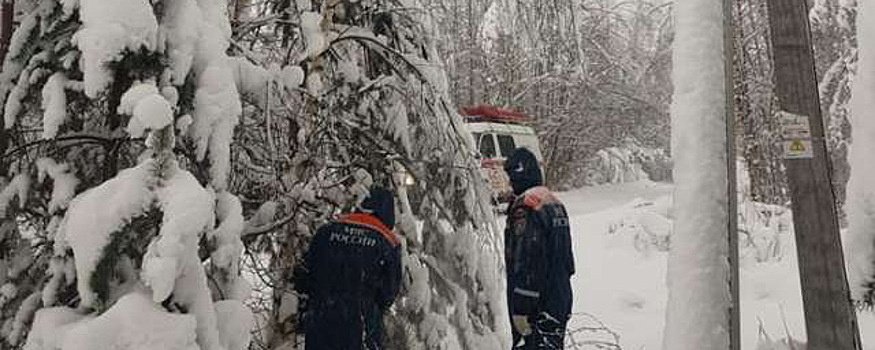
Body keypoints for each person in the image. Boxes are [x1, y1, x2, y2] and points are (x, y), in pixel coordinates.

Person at [294, 186, 402, 350]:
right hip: (360, 327)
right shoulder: (387, 241)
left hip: (321, 323)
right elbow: (388, 293)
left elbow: (304, 275)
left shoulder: (327, 230)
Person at [503, 148, 574, 349]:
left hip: (536, 304)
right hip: (559, 297)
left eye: (511, 176)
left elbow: (529, 259)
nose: (509, 183)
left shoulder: (526, 207)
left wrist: (522, 306)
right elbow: (566, 260)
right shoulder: (553, 202)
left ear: (520, 173)